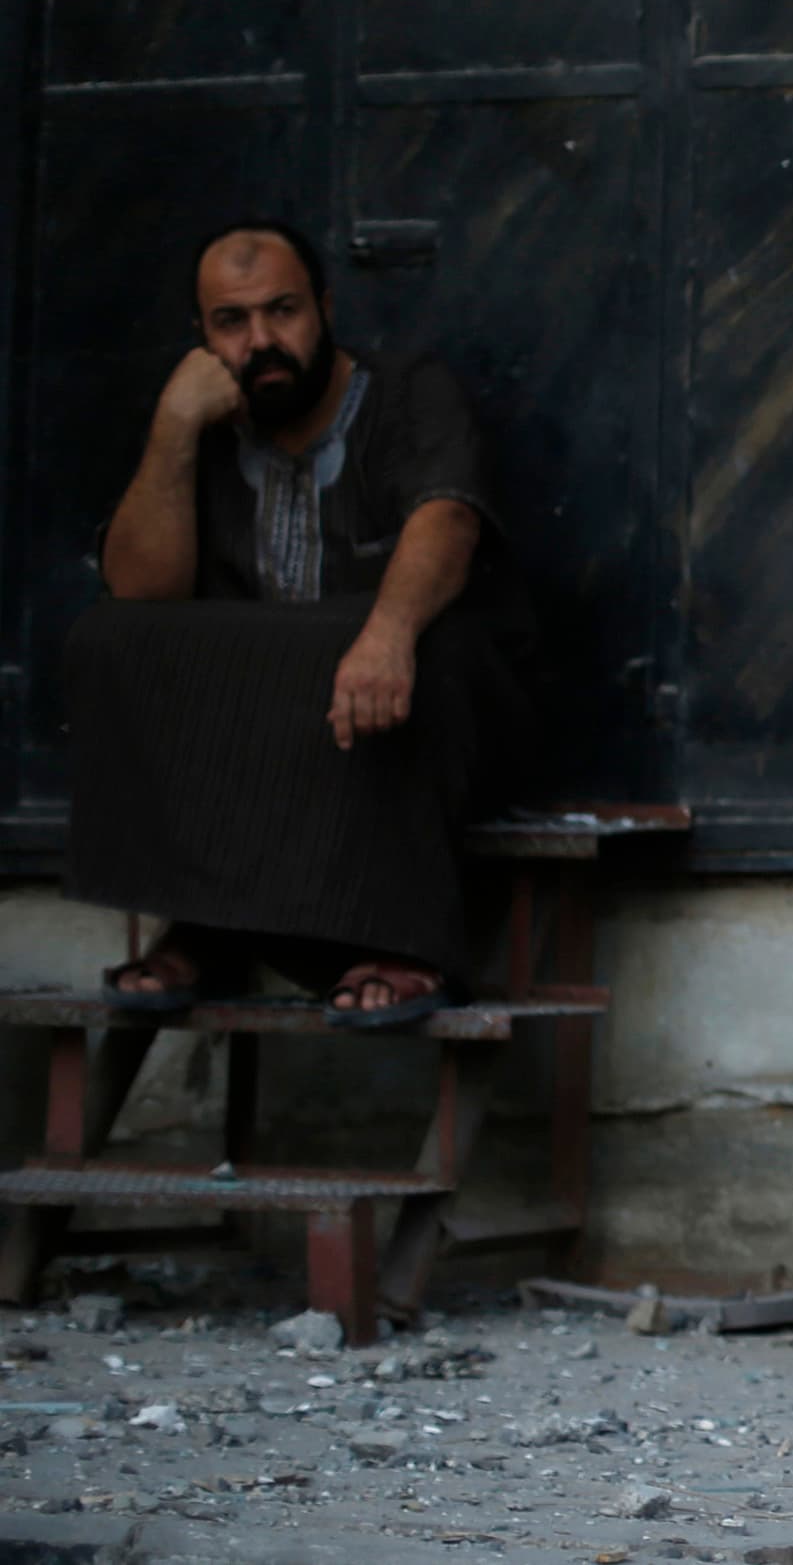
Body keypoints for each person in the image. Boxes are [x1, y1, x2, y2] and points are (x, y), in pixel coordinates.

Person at [69, 220, 530, 1024]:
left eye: (282, 311)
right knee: (111, 638)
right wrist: (174, 428)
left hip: (401, 717)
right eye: (232, 322)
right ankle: (205, 925)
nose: (262, 340)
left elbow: (447, 521)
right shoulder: (204, 429)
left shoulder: (408, 391)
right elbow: (140, 590)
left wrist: (386, 635)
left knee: (437, 639)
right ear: (202, 338)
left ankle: (403, 942)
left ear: (323, 306)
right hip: (265, 732)